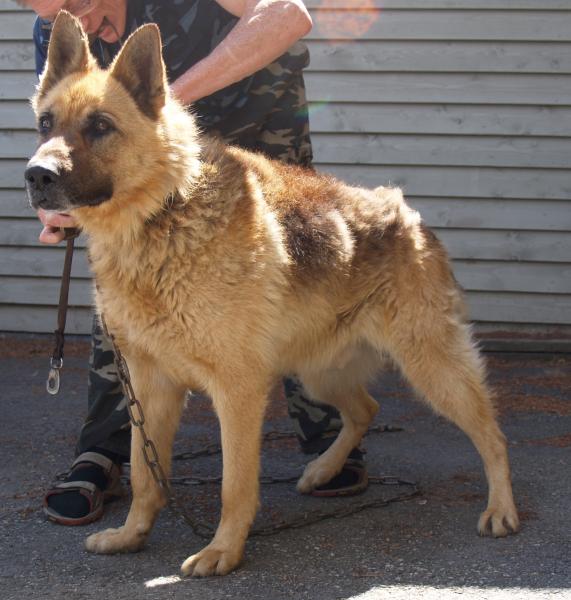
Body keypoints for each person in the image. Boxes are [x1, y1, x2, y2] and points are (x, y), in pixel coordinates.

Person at [20, 0, 368, 525]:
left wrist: (154, 108)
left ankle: (327, 433)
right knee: (130, 295)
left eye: (80, 3)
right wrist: (60, 198)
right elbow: (60, 134)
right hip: (133, 154)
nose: (77, 21)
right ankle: (102, 454)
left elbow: (289, 13)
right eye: (48, 13)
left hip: (257, 131)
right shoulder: (55, 29)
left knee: (285, 280)